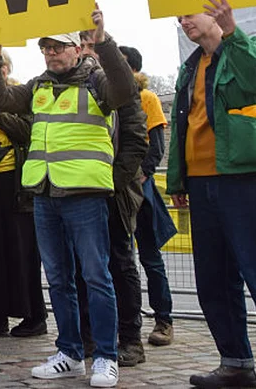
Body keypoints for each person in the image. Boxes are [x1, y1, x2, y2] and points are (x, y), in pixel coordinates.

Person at [0, 5, 137, 388]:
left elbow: (124, 89)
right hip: (45, 193)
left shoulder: (97, 82)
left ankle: (104, 356)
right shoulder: (38, 86)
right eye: (46, 48)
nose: (51, 53)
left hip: (85, 193)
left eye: (58, 47)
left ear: (77, 49)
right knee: (58, 278)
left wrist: (105, 40)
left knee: (96, 276)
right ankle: (69, 351)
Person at [170, 0, 256, 389]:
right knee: (212, 278)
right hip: (201, 183)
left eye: (188, 14)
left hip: (242, 180)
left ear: (215, 14)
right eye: (179, 17)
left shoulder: (248, 46)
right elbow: (182, 128)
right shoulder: (189, 68)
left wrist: (232, 33)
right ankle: (235, 363)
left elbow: (254, 78)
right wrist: (177, 179)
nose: (183, 22)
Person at [74, 30, 149, 369]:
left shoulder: (124, 89)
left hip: (114, 191)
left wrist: (112, 183)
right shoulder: (75, 86)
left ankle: (130, 339)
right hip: (79, 190)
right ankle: (88, 336)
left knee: (120, 263)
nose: (88, 54)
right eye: (84, 47)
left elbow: (135, 141)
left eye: (94, 47)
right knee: (82, 267)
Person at [0, 52, 48, 339]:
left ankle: (35, 315)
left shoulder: (21, 95)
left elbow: (27, 131)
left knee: (22, 253)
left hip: (15, 183)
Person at [120, 45, 175, 348]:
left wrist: (139, 177)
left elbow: (155, 147)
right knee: (123, 258)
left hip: (141, 190)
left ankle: (163, 319)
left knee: (151, 258)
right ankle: (129, 322)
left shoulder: (147, 98)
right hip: (116, 190)